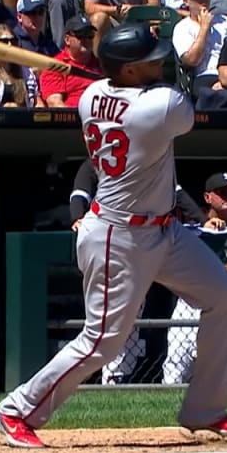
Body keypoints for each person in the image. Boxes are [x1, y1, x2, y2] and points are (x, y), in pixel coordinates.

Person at [0, 23, 227, 448]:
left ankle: (206, 409)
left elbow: (131, 88)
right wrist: (147, 79)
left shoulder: (92, 96)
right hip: (118, 235)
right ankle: (16, 409)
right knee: (102, 342)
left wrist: (126, 78)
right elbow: (182, 99)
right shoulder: (156, 108)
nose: (159, 61)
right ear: (128, 71)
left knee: (224, 295)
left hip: (164, 230)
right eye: (149, 59)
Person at [67, 156, 212, 384]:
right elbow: (79, 194)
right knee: (109, 320)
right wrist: (77, 216)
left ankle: (118, 376)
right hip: (110, 247)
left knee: (131, 313)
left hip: (140, 244)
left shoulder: (147, 162)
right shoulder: (95, 163)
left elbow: (176, 192)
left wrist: (202, 220)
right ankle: (107, 377)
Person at [164, 173, 227, 385]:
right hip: (189, 306)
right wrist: (224, 271)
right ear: (208, 197)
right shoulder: (192, 229)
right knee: (175, 372)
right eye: (223, 193)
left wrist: (205, 270)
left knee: (212, 375)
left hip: (224, 308)